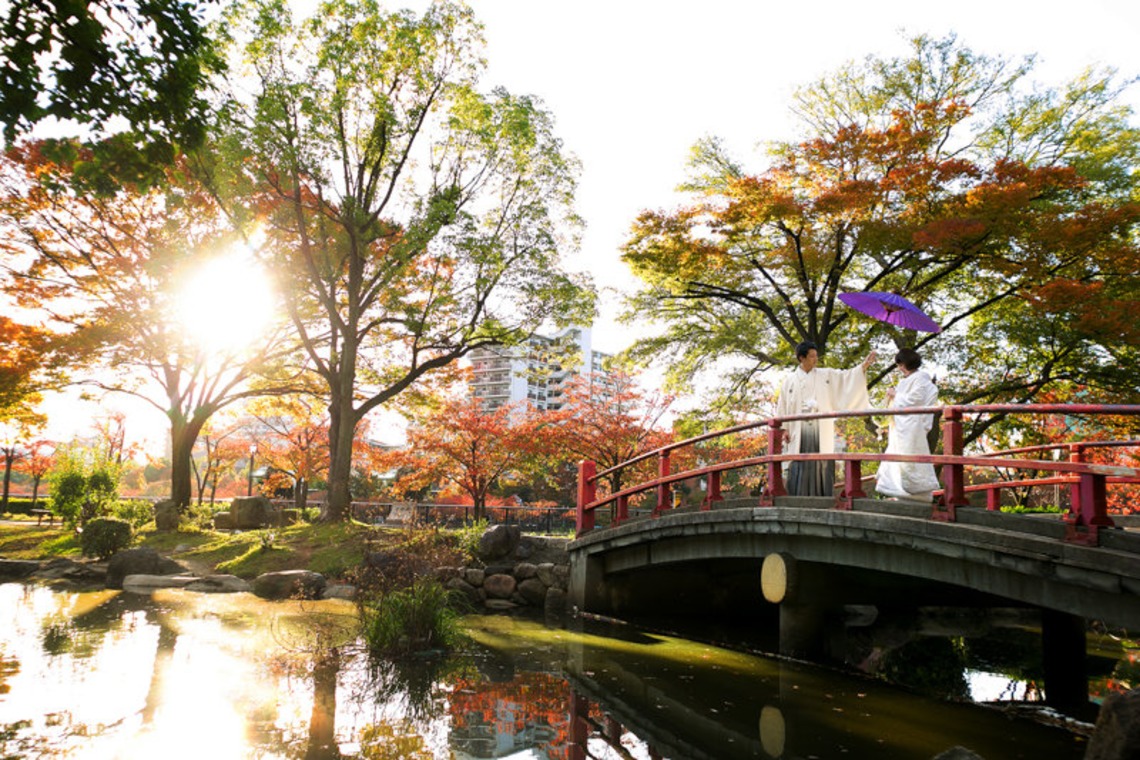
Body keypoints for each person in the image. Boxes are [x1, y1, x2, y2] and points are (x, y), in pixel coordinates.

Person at [775, 341, 876, 496]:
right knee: (798, 460)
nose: (816, 359)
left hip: (820, 425)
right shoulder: (789, 381)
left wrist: (863, 366)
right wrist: (784, 429)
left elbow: (845, 377)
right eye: (812, 356)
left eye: (816, 356)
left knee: (822, 459)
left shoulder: (826, 375)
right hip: (798, 428)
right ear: (801, 358)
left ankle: (823, 496)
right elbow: (782, 406)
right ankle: (797, 496)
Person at [875, 348, 941, 502]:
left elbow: (915, 400)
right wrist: (893, 395)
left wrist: (896, 395)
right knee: (900, 459)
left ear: (905, 364)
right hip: (903, 425)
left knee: (910, 459)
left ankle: (918, 495)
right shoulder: (909, 380)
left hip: (911, 426)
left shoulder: (920, 379)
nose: (899, 368)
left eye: (900, 365)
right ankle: (901, 493)